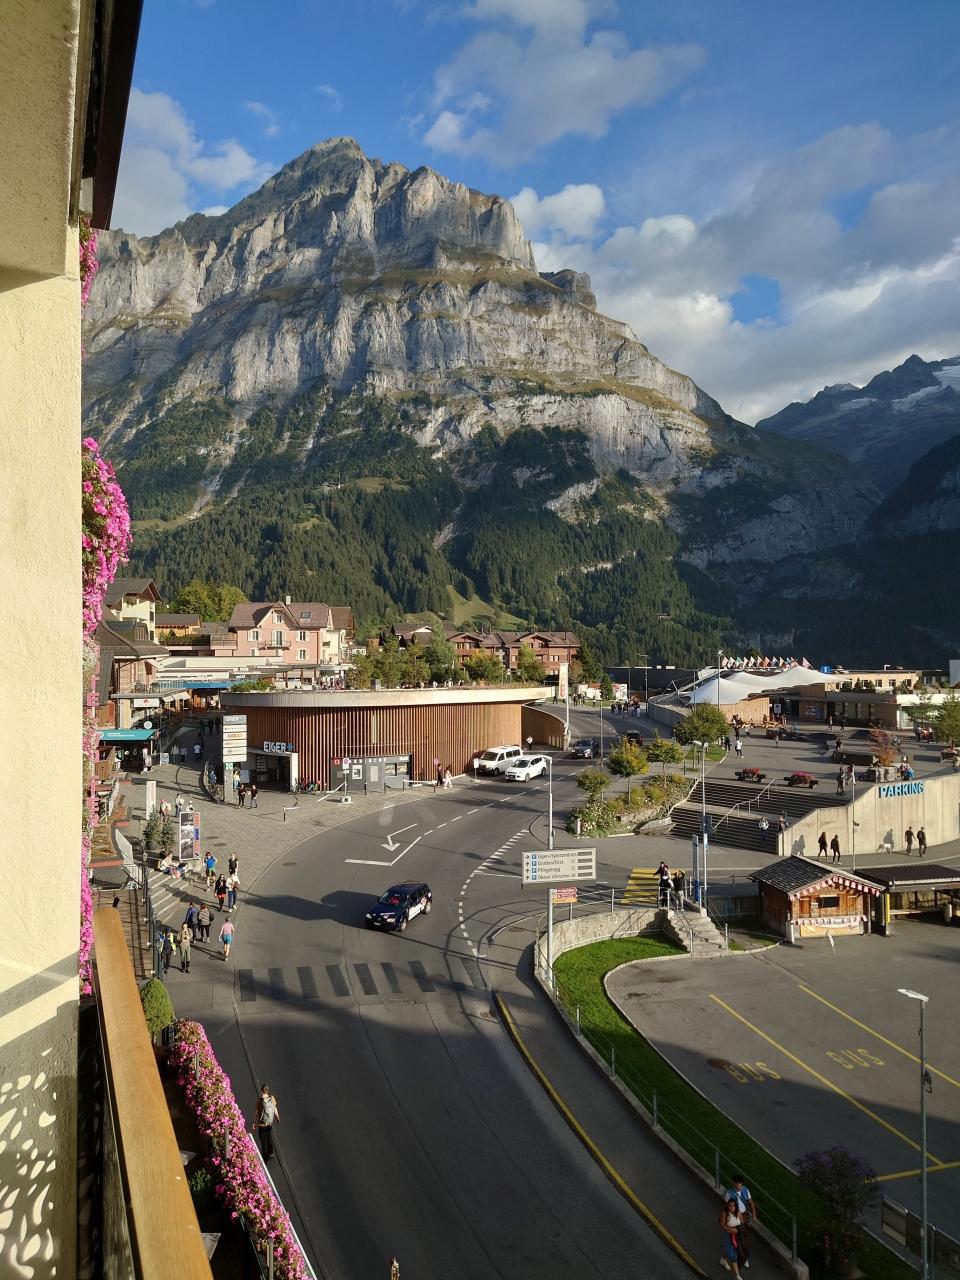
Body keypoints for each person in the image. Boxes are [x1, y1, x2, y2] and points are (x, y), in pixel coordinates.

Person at [724, 1175, 757, 1270]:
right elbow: (727, 1208)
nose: (738, 1185)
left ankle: (743, 1257)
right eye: (736, 1183)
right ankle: (725, 1258)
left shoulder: (745, 1190)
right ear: (733, 1183)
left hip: (743, 1217)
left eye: (740, 1183)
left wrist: (754, 1214)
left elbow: (750, 1202)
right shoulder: (729, 1193)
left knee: (742, 1239)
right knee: (735, 1241)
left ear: (742, 1183)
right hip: (735, 1219)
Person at [254, 1084, 280, 1162]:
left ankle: (266, 1159)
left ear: (262, 1091)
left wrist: (254, 1122)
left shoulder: (260, 1100)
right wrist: (277, 1117)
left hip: (262, 1124)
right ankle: (271, 1152)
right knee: (269, 1136)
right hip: (269, 1123)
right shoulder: (272, 1098)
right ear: (268, 1090)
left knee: (263, 1141)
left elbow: (256, 1112)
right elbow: (275, 1108)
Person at [719, 1198, 743, 1276]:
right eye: (729, 1206)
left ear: (735, 1206)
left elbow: (742, 1224)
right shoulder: (724, 1213)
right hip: (728, 1234)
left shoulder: (739, 1213)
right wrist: (731, 1230)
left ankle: (723, 1259)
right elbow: (722, 1225)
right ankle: (738, 1276)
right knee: (733, 1255)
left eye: (733, 1206)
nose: (731, 1207)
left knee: (733, 1249)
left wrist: (737, 1230)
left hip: (737, 1235)